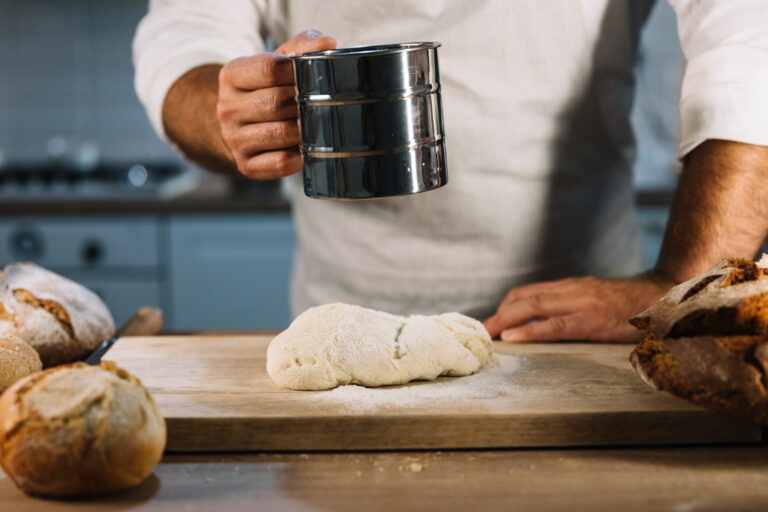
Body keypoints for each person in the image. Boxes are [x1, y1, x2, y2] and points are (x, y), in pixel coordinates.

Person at [133, 0, 768, 343]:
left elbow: (749, 49)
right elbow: (185, 34)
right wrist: (231, 111)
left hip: (586, 329)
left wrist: (679, 288)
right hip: (347, 329)